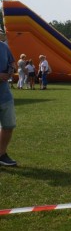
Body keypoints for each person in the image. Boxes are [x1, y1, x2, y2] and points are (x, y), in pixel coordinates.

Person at [0, 29, 17, 166]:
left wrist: (10, 73)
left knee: (8, 126)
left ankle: (2, 154)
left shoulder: (4, 47)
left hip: (5, 95)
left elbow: (13, 63)